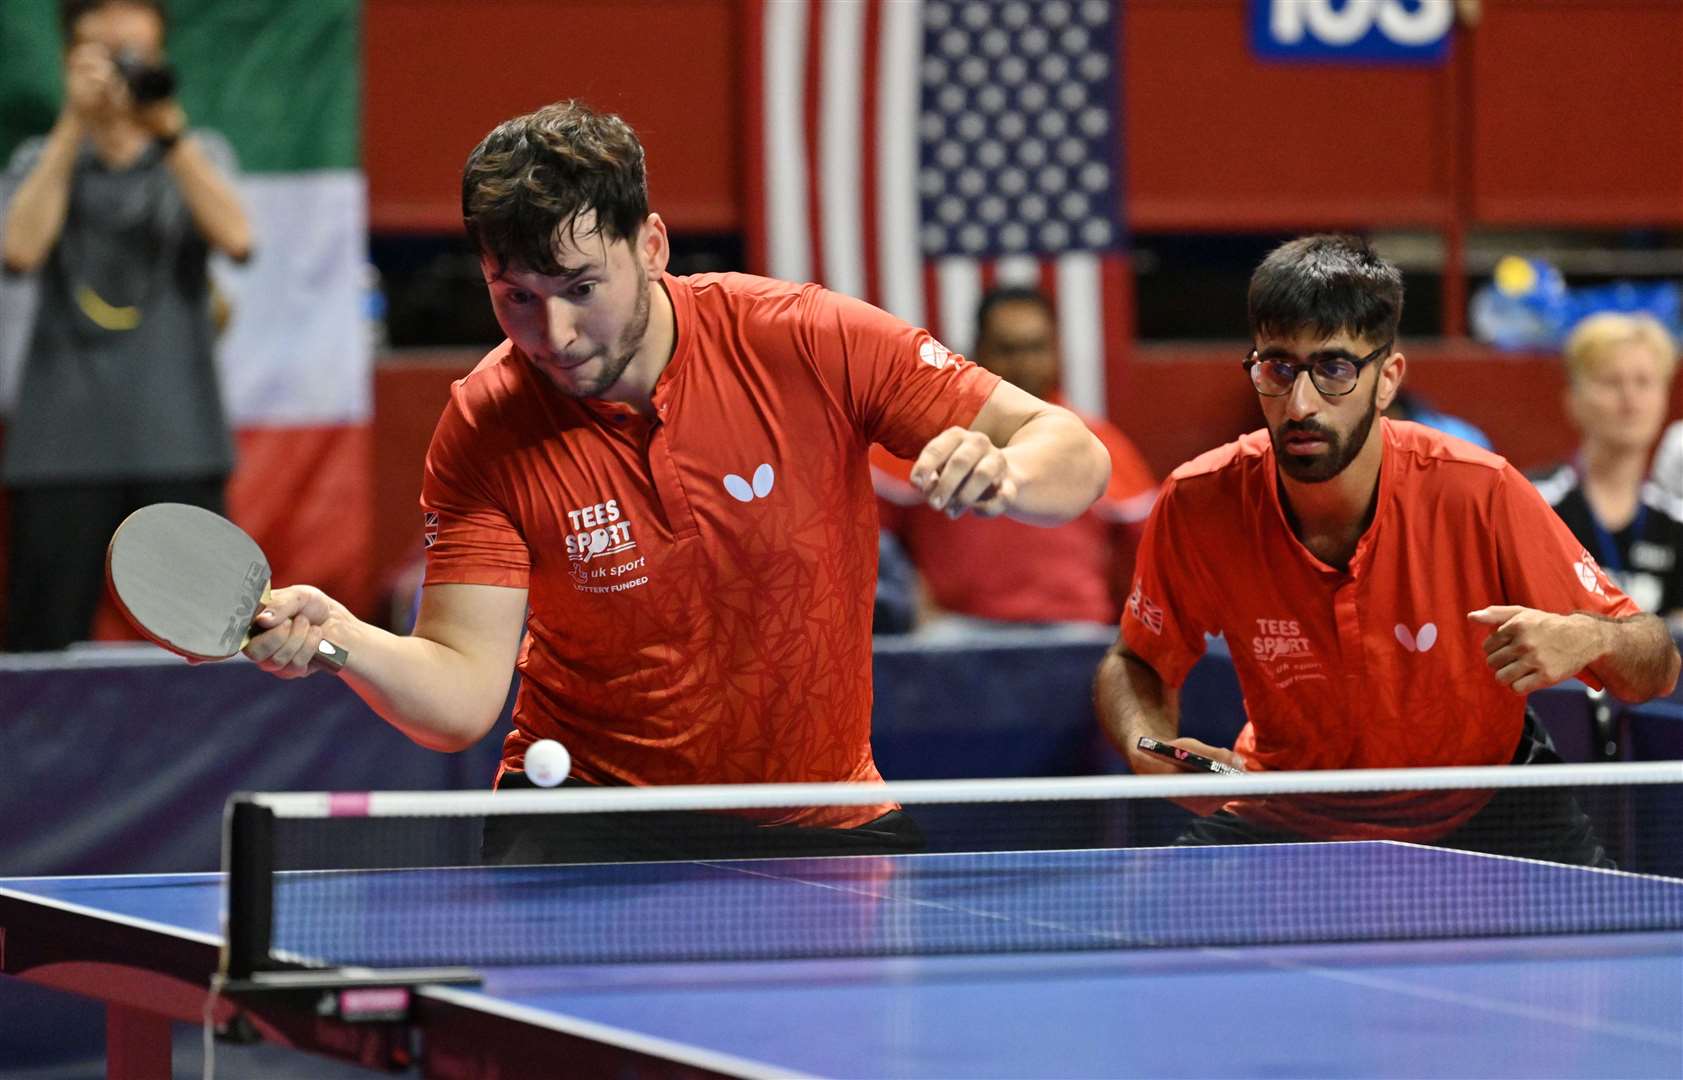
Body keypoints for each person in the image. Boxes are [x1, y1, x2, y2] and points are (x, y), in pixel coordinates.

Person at [243, 100, 1110, 860]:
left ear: (649, 244)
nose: (554, 333)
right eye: (515, 296)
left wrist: (1005, 469)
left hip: (816, 810)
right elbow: (461, 694)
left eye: (582, 287)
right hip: (591, 820)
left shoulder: (803, 339)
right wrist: (342, 639)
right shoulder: (486, 422)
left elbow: (1072, 451)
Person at [1094, 235, 1679, 867]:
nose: (1301, 404)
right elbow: (1137, 662)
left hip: (1488, 803)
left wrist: (1590, 638)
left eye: (1335, 370)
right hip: (1288, 807)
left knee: (1604, 954)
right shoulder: (1199, 500)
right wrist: (1147, 742)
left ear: (1387, 379)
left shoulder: (1479, 492)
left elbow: (1657, 664)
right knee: (1147, 927)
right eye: (1278, 367)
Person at [1, 0, 251, 651]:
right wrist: (70, 128)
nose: (124, 71)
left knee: (204, 641)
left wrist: (169, 134)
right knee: (40, 648)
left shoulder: (197, 155)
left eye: (138, 55)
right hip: (59, 448)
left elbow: (239, 238)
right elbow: (20, 252)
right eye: (105, 55)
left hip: (180, 438)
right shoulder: (40, 161)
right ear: (68, 62)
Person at [872, 286, 1156, 632]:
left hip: (1076, 634)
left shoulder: (1101, 443)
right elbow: (867, 533)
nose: (1024, 363)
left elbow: (1149, 553)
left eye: (1036, 348)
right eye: (1008, 349)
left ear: (1056, 351)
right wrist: (907, 593)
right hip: (954, 634)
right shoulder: (920, 441)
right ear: (977, 350)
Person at [1530, 314, 1683, 629]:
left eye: (1644, 382)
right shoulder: (1534, 505)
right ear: (1573, 400)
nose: (1630, 398)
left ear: (1664, 397)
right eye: (1611, 382)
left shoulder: (1676, 522)